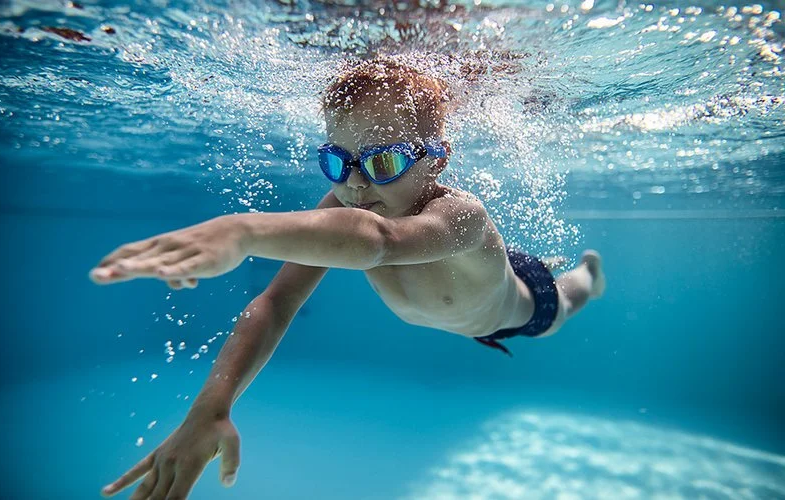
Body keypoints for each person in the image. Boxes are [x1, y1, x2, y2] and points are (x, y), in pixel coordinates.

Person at [91, 57, 605, 499]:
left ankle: (588, 273)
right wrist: (211, 407)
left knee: (564, 302)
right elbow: (274, 304)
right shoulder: (347, 202)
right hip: (463, 283)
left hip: (518, 304)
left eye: (383, 161)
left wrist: (243, 232)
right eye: (338, 163)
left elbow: (379, 241)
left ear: (438, 160)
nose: (356, 183)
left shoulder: (461, 214)